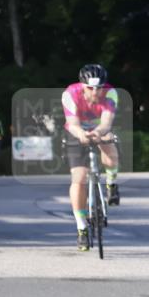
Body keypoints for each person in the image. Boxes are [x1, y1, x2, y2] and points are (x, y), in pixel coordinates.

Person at [62, 64, 121, 251]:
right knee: (78, 179)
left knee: (111, 154)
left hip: (100, 129)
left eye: (99, 88)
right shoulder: (70, 94)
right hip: (76, 131)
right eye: (90, 88)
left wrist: (98, 133)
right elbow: (72, 123)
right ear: (82, 85)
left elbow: (106, 122)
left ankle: (111, 182)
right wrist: (80, 133)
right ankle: (81, 228)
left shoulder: (111, 93)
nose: (95, 92)